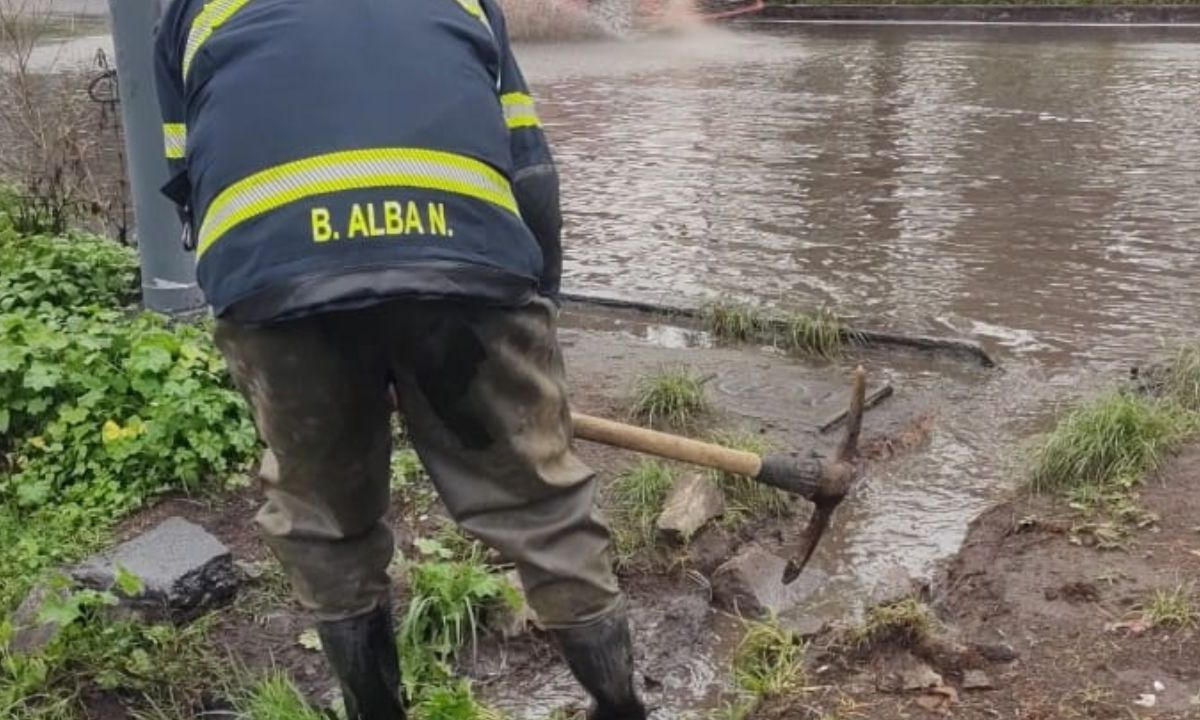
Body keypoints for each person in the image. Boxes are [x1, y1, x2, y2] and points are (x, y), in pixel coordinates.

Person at [152, 1, 645, 717]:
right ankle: (622, 708)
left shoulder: (185, 9)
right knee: (542, 507)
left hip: (277, 274)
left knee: (324, 520)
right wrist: (539, 310)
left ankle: (375, 712)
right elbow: (531, 171)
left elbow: (189, 177)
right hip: (465, 257)